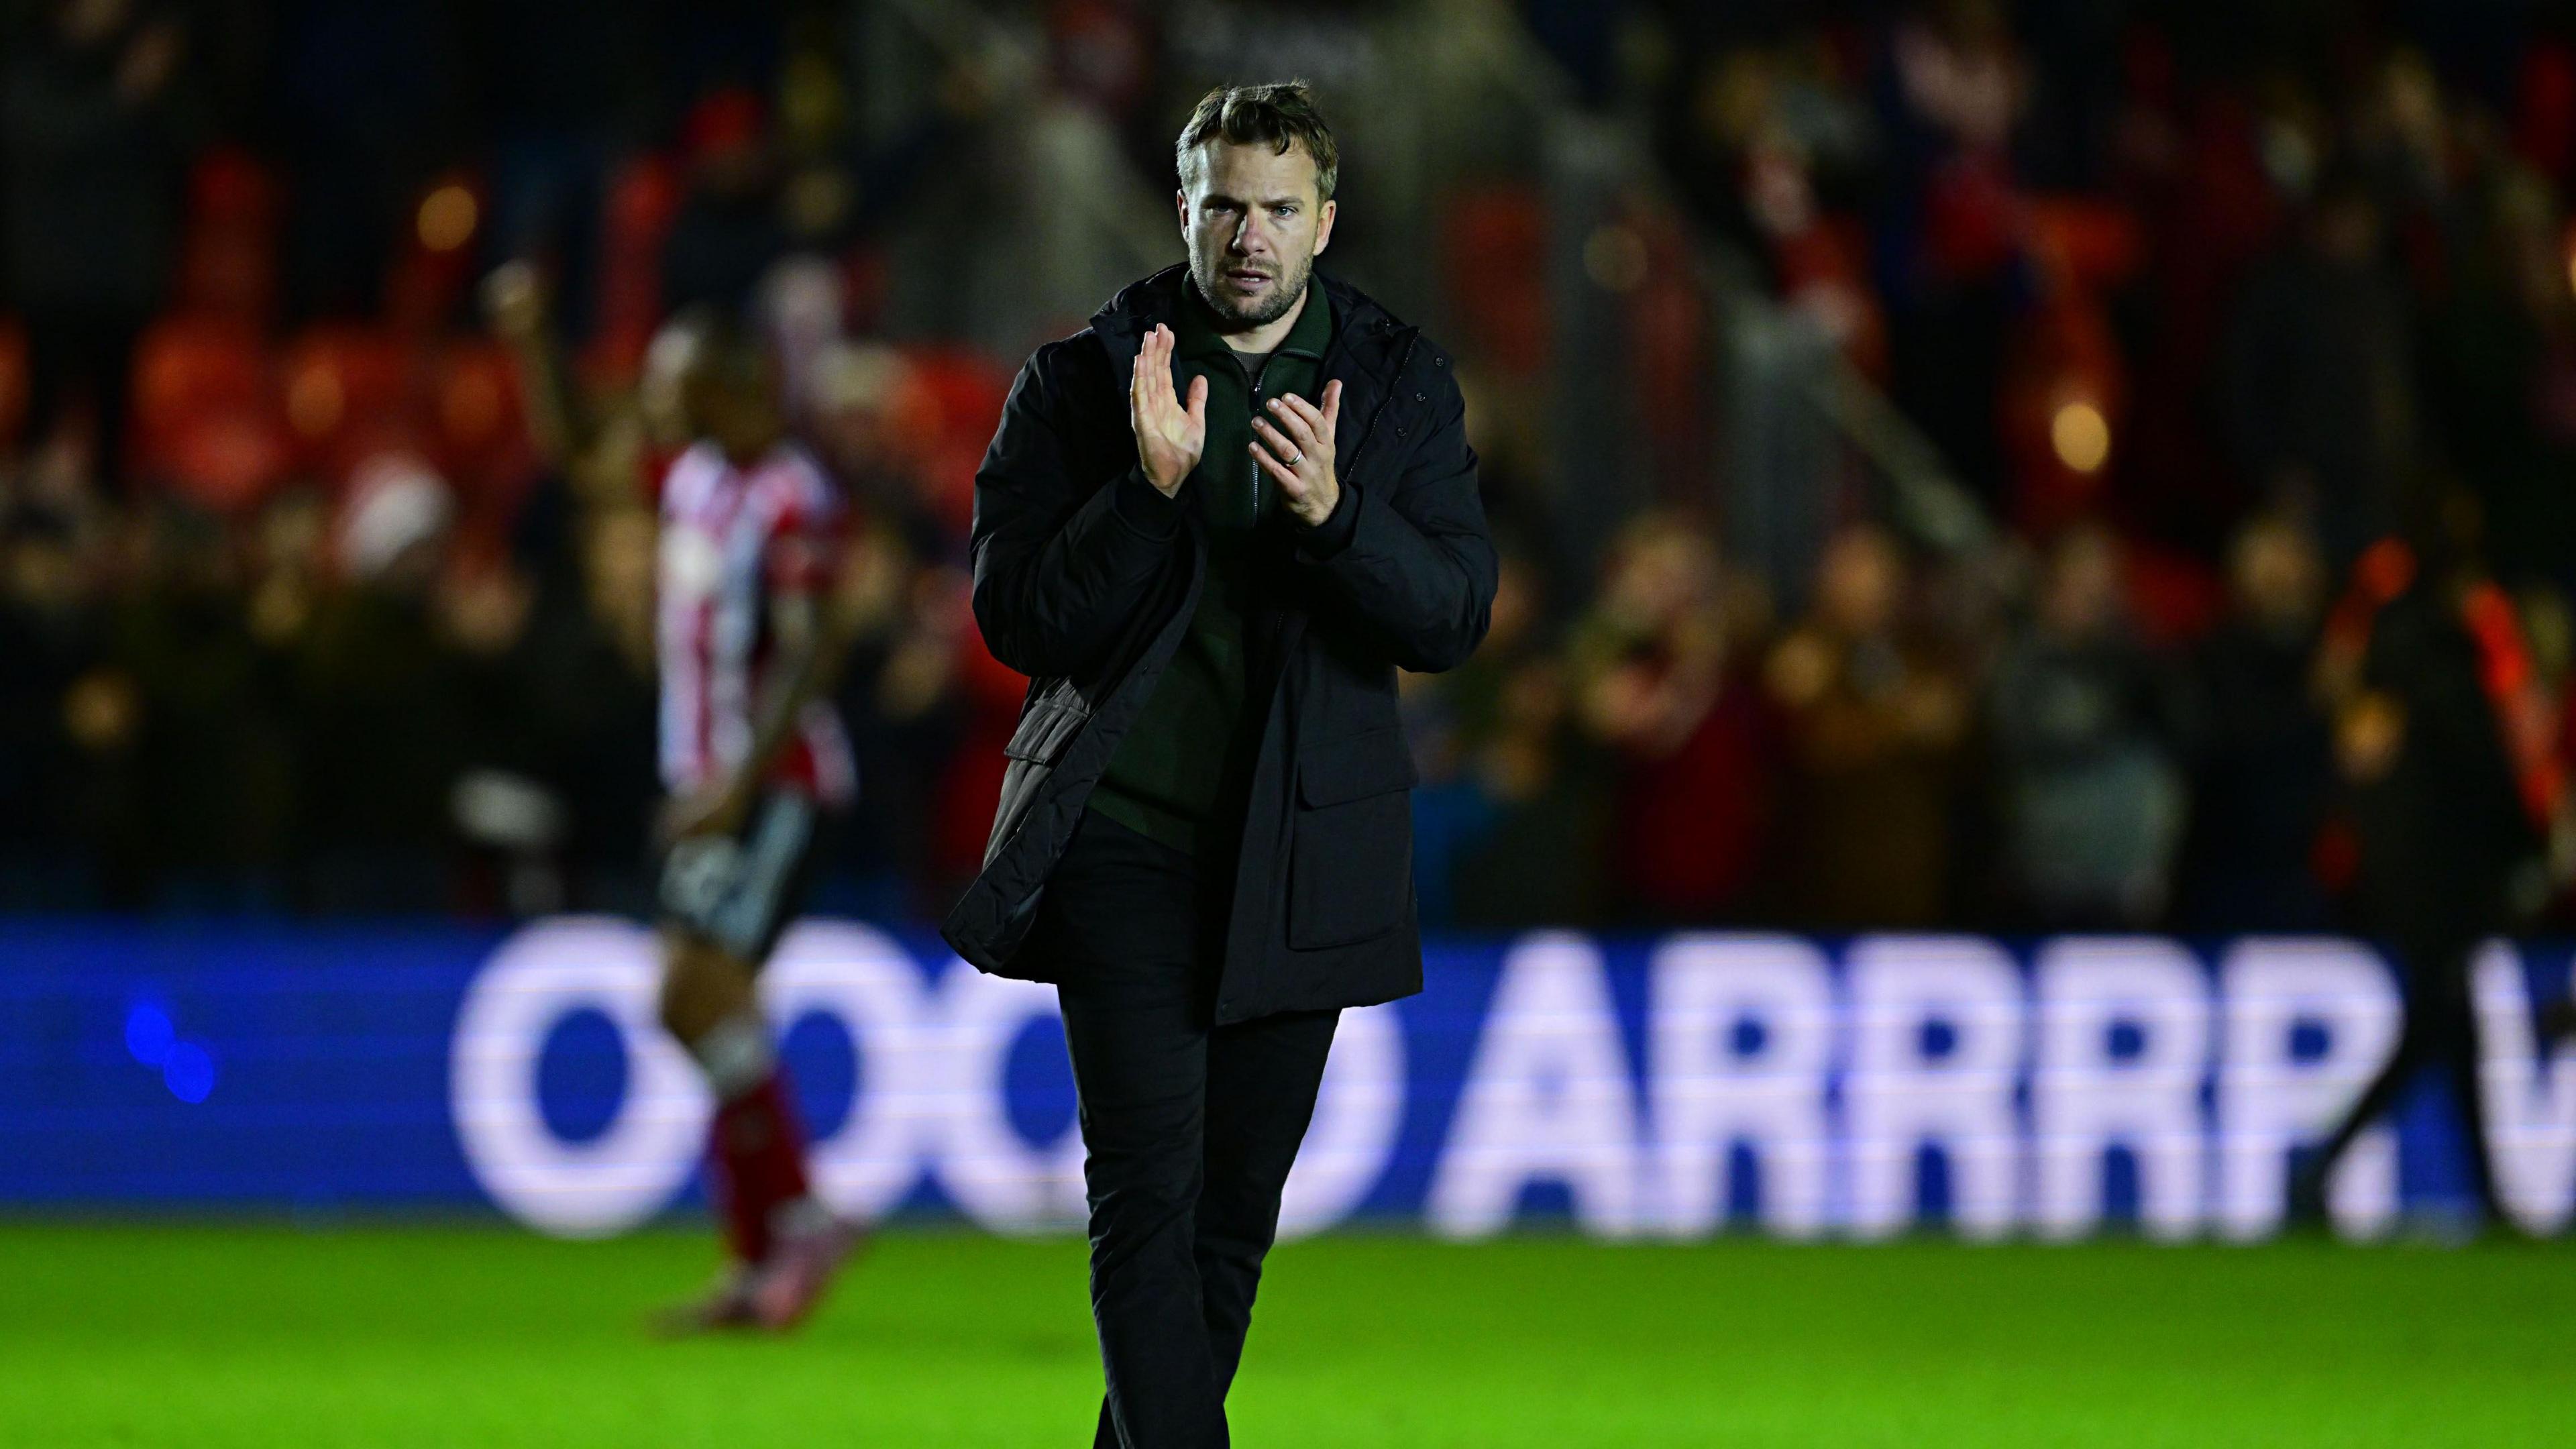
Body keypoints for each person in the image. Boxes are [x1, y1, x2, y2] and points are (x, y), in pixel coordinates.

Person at [941, 82, 1494, 1448]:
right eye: (1226, 207)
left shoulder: (1400, 387)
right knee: (1146, 1202)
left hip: (1302, 855)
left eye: (1280, 210)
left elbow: (1449, 618)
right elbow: (1019, 619)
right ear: (1183, 210)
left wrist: (1338, 515)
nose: (1252, 236)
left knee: (1232, 1222)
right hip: (1124, 842)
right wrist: (1144, 494)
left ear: (1325, 223)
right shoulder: (1082, 382)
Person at [649, 319, 862, 1331]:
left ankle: (796, 1223)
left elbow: (815, 647)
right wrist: (530, 342)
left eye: (673, 383)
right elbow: (579, 455)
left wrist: (740, 780)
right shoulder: (694, 479)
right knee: (701, 1007)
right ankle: (762, 1253)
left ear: (724, 388)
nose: (657, 401)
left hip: (778, 786)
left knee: (698, 995)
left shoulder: (793, 496)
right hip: (712, 782)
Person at [2288, 496, 2558, 1230]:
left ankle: (2480, 1196)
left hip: (2415, 864)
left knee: (2451, 1022)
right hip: (2435, 869)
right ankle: (2327, 1168)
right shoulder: (2439, 640)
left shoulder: (2399, 627)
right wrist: (2524, 842)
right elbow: (2478, 759)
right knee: (2440, 1021)